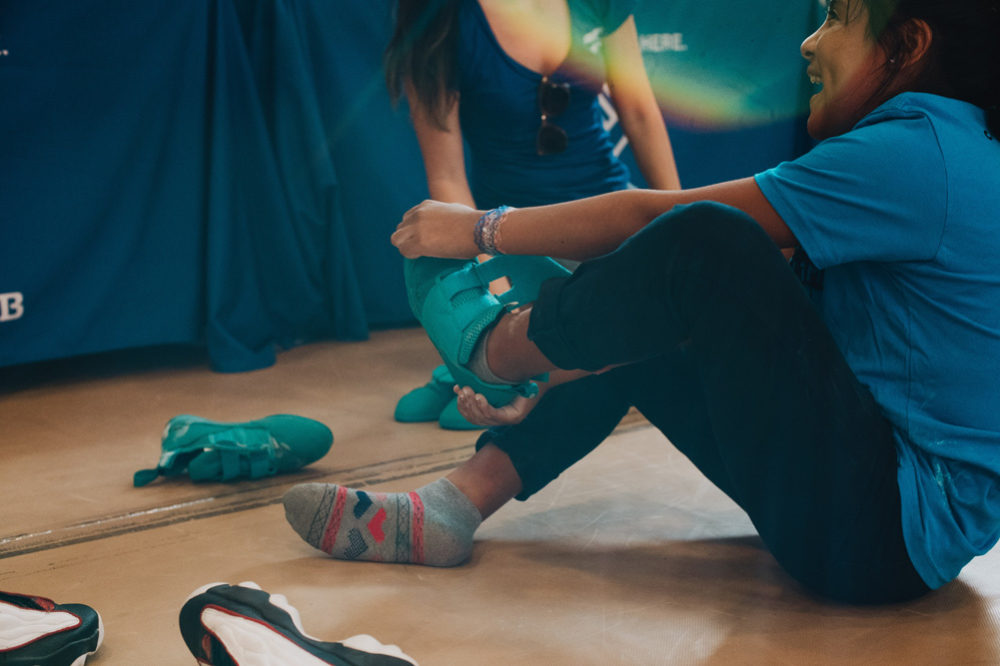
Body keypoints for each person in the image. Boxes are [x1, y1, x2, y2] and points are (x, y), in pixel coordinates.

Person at [284, 0, 1000, 604]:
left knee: (703, 245)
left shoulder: (916, 154)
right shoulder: (927, 146)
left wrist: (479, 230)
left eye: (838, 18)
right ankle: (450, 507)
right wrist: (558, 371)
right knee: (671, 286)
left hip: (879, 534)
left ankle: (496, 348)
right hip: (864, 517)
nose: (809, 44)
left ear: (906, 46)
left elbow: (660, 225)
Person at [385, 0, 680, 429]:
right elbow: (448, 179)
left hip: (606, 221)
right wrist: (495, 308)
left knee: (645, 328)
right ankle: (468, 368)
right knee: (539, 366)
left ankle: (469, 372)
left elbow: (638, 111)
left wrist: (679, 225)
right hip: (513, 239)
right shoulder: (439, 16)